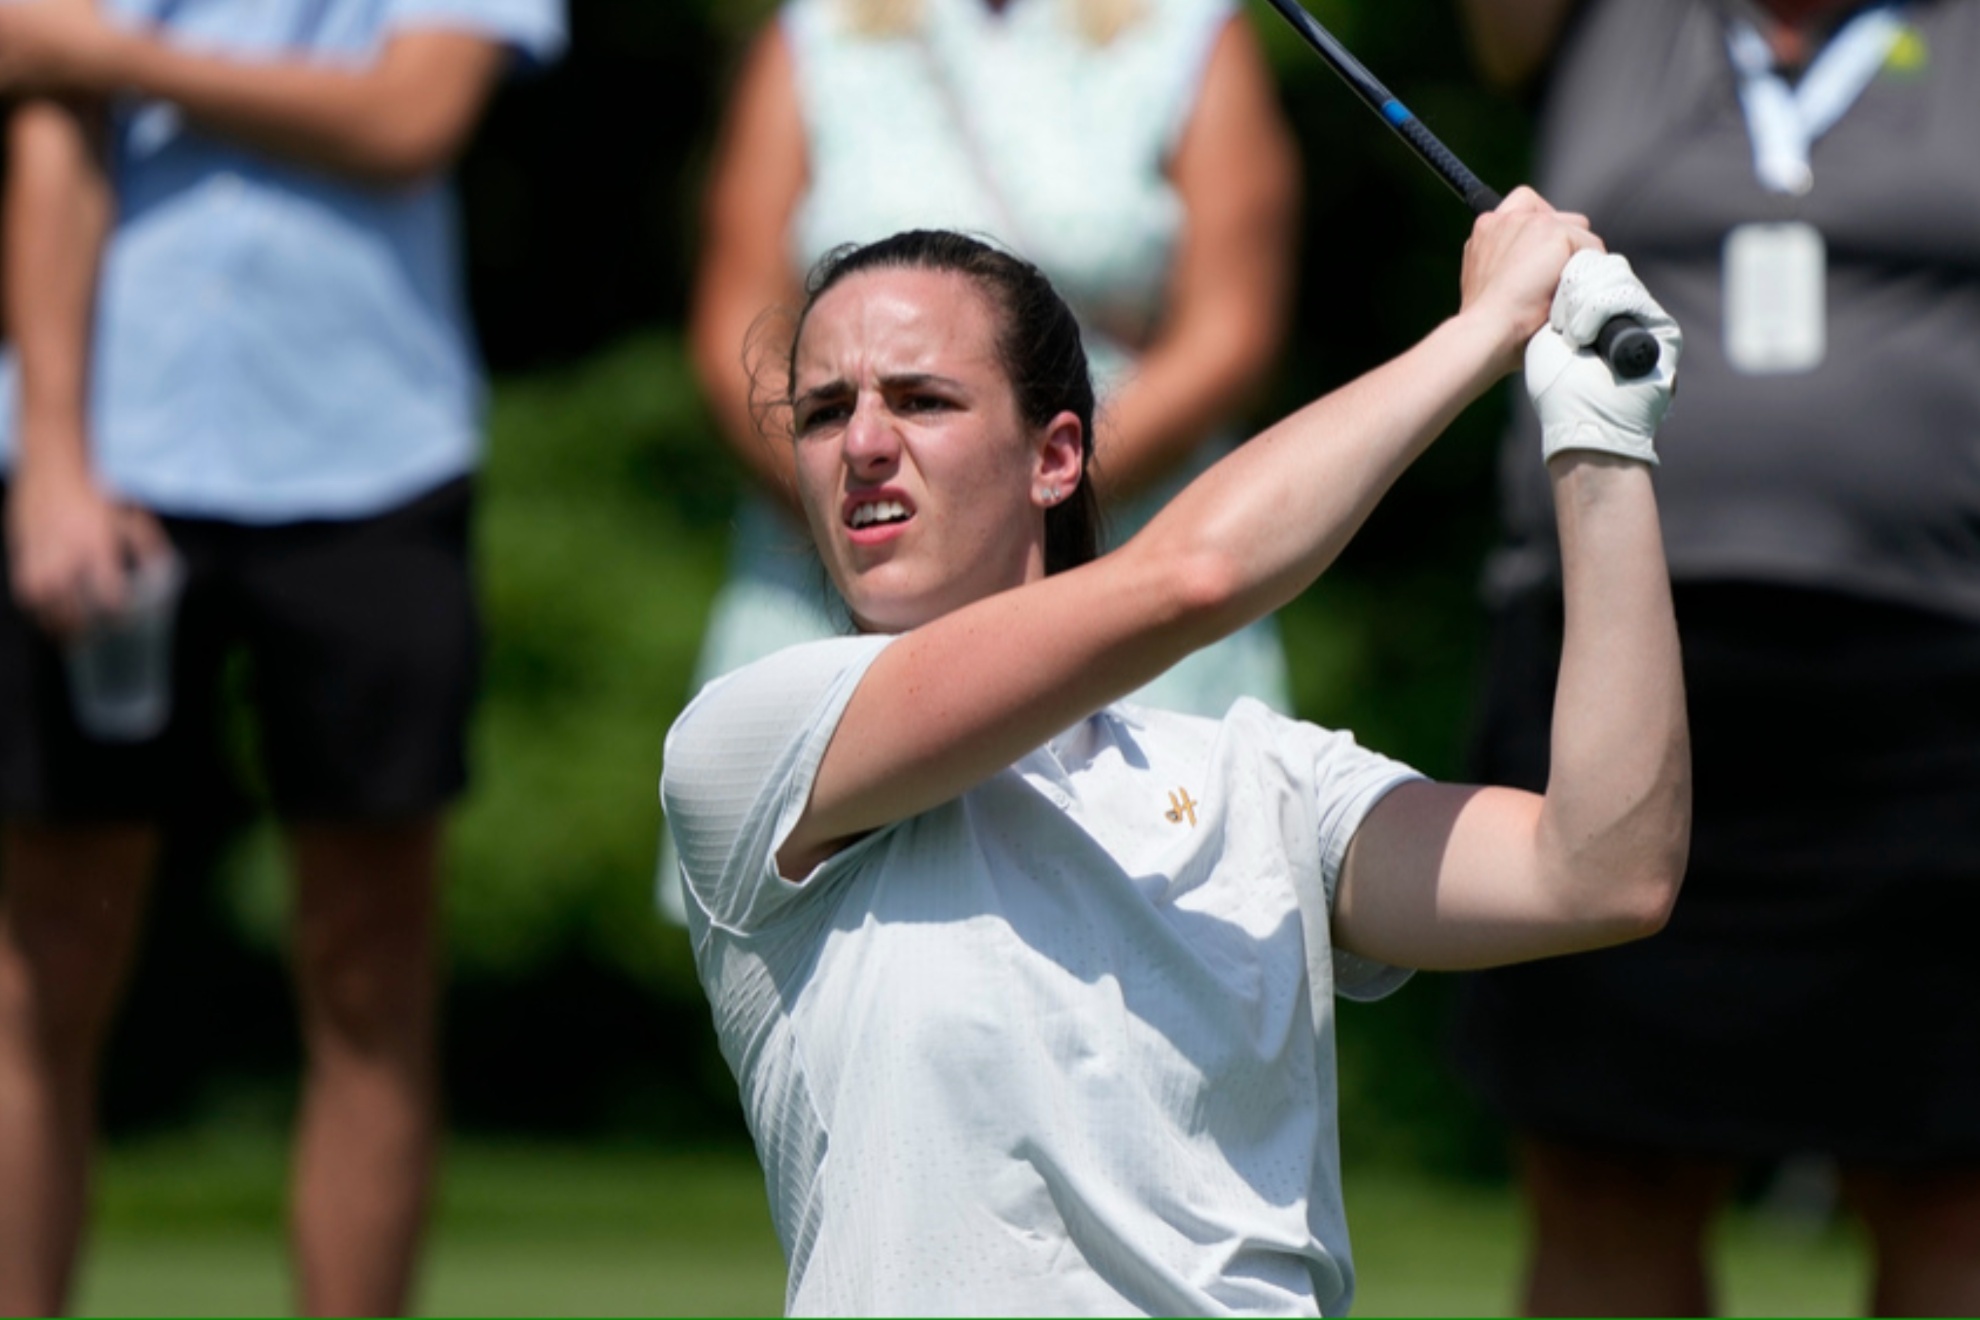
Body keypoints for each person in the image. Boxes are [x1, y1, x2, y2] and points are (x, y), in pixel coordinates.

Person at [661, 213, 1687, 1314]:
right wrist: (1485, 327)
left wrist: (1601, 439)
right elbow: (1193, 577)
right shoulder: (755, 745)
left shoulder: (1265, 780)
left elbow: (1599, 871)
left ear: (1054, 459)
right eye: (824, 411)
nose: (861, 442)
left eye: (920, 400)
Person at [0, 0, 563, 1312]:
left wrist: (114, 55)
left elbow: (408, 118)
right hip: (103, 465)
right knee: (42, 960)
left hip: (375, 454)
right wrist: (56, 461)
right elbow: (51, 128)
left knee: (371, 958)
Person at [1452, 1, 1980, 1314]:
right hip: (1613, 656)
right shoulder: (1599, 24)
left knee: (1955, 1179)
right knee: (1603, 1161)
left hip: (1942, 679)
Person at [687, 0, 1300, 717]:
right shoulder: (818, 35)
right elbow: (736, 326)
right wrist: (867, 517)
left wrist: (1022, 505)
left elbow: (1228, 333)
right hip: (832, 579)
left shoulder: (1189, 33)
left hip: (1114, 564)